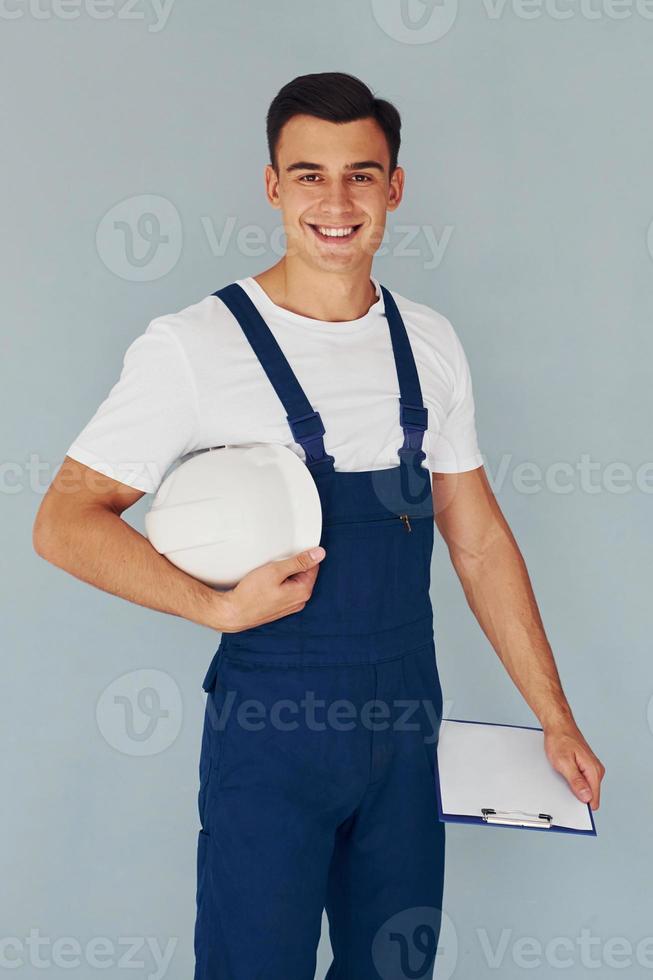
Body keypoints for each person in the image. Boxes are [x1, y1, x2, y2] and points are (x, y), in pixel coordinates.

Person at [33, 71, 605, 980]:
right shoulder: (195, 346)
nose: (336, 202)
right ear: (271, 187)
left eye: (360, 175)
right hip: (271, 734)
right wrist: (210, 607)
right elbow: (63, 520)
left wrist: (555, 716)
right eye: (308, 175)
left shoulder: (429, 343)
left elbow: (478, 539)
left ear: (394, 186)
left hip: (404, 730)